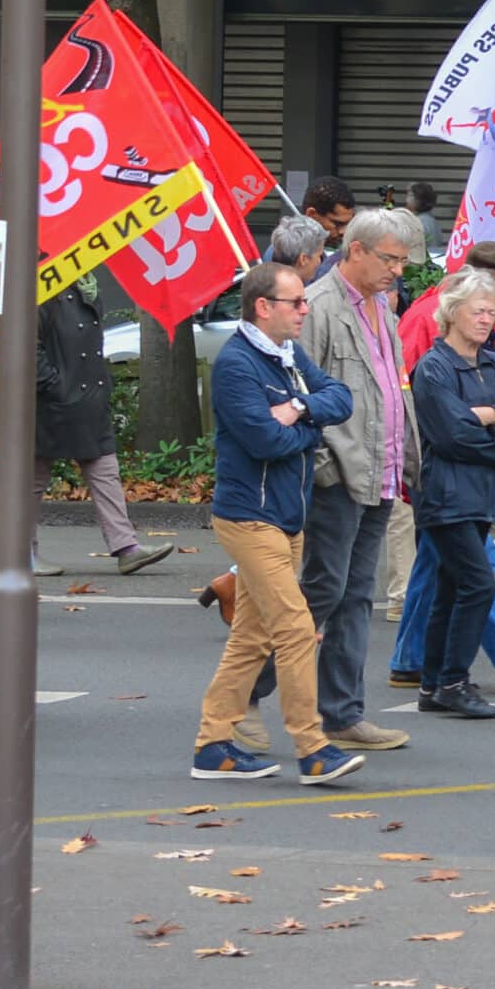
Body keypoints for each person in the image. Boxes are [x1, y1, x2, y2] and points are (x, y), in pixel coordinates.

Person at [192, 260, 361, 785]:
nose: (305, 310)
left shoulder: (287, 354)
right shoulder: (238, 365)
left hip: (287, 517)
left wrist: (299, 409)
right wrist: (310, 431)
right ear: (263, 307)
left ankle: (213, 745)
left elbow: (340, 398)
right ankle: (313, 748)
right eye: (296, 303)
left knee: (252, 637)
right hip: (250, 517)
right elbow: (265, 440)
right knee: (295, 628)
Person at [390, 241, 495, 685]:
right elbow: (432, 419)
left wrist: (492, 418)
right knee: (473, 575)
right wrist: (493, 426)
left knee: (438, 572)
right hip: (439, 476)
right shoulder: (428, 331)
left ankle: (413, 663)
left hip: (473, 481)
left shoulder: (485, 349)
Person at [291, 209, 424, 754]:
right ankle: (243, 693)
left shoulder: (382, 310)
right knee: (321, 592)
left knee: (354, 597)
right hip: (339, 477)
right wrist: (326, 466)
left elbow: (394, 393)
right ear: (355, 250)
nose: (399, 269)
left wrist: (407, 459)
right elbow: (302, 395)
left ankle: (341, 713)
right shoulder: (320, 307)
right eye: (390, 258)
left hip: (379, 473)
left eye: (403, 260)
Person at [410, 268, 495, 719]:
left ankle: (432, 682)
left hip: (482, 492)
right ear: (453, 313)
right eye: (478, 311)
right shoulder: (434, 367)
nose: (489, 319)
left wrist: (487, 416)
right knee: (477, 584)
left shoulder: (494, 362)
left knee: (450, 588)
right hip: (447, 494)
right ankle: (453, 681)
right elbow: (450, 435)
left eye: (493, 311)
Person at [36, 282, 169, 573]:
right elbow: (30, 348)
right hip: (53, 401)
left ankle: (126, 546)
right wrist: (54, 386)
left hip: (86, 397)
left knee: (104, 469)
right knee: (35, 476)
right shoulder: (42, 287)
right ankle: (21, 553)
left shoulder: (82, 286)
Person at [301, 178, 357, 259]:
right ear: (311, 214)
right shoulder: (281, 258)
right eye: (337, 224)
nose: (344, 232)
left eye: (349, 224)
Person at [268, 215, 329, 287]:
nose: (320, 262)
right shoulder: (292, 295)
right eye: (319, 256)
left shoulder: (267, 285)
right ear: (303, 259)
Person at [408, 181, 450, 263]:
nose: (407, 199)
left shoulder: (419, 222)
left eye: (410, 195)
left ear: (418, 200)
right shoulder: (431, 219)